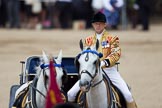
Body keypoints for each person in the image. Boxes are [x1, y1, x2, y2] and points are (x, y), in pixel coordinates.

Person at [67, 12, 137, 108]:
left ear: (105, 24)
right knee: (71, 94)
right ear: (93, 25)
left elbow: (116, 53)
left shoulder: (112, 38)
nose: (98, 25)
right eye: (96, 23)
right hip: (92, 71)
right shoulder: (88, 40)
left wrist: (105, 62)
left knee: (128, 95)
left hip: (110, 71)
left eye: (100, 23)